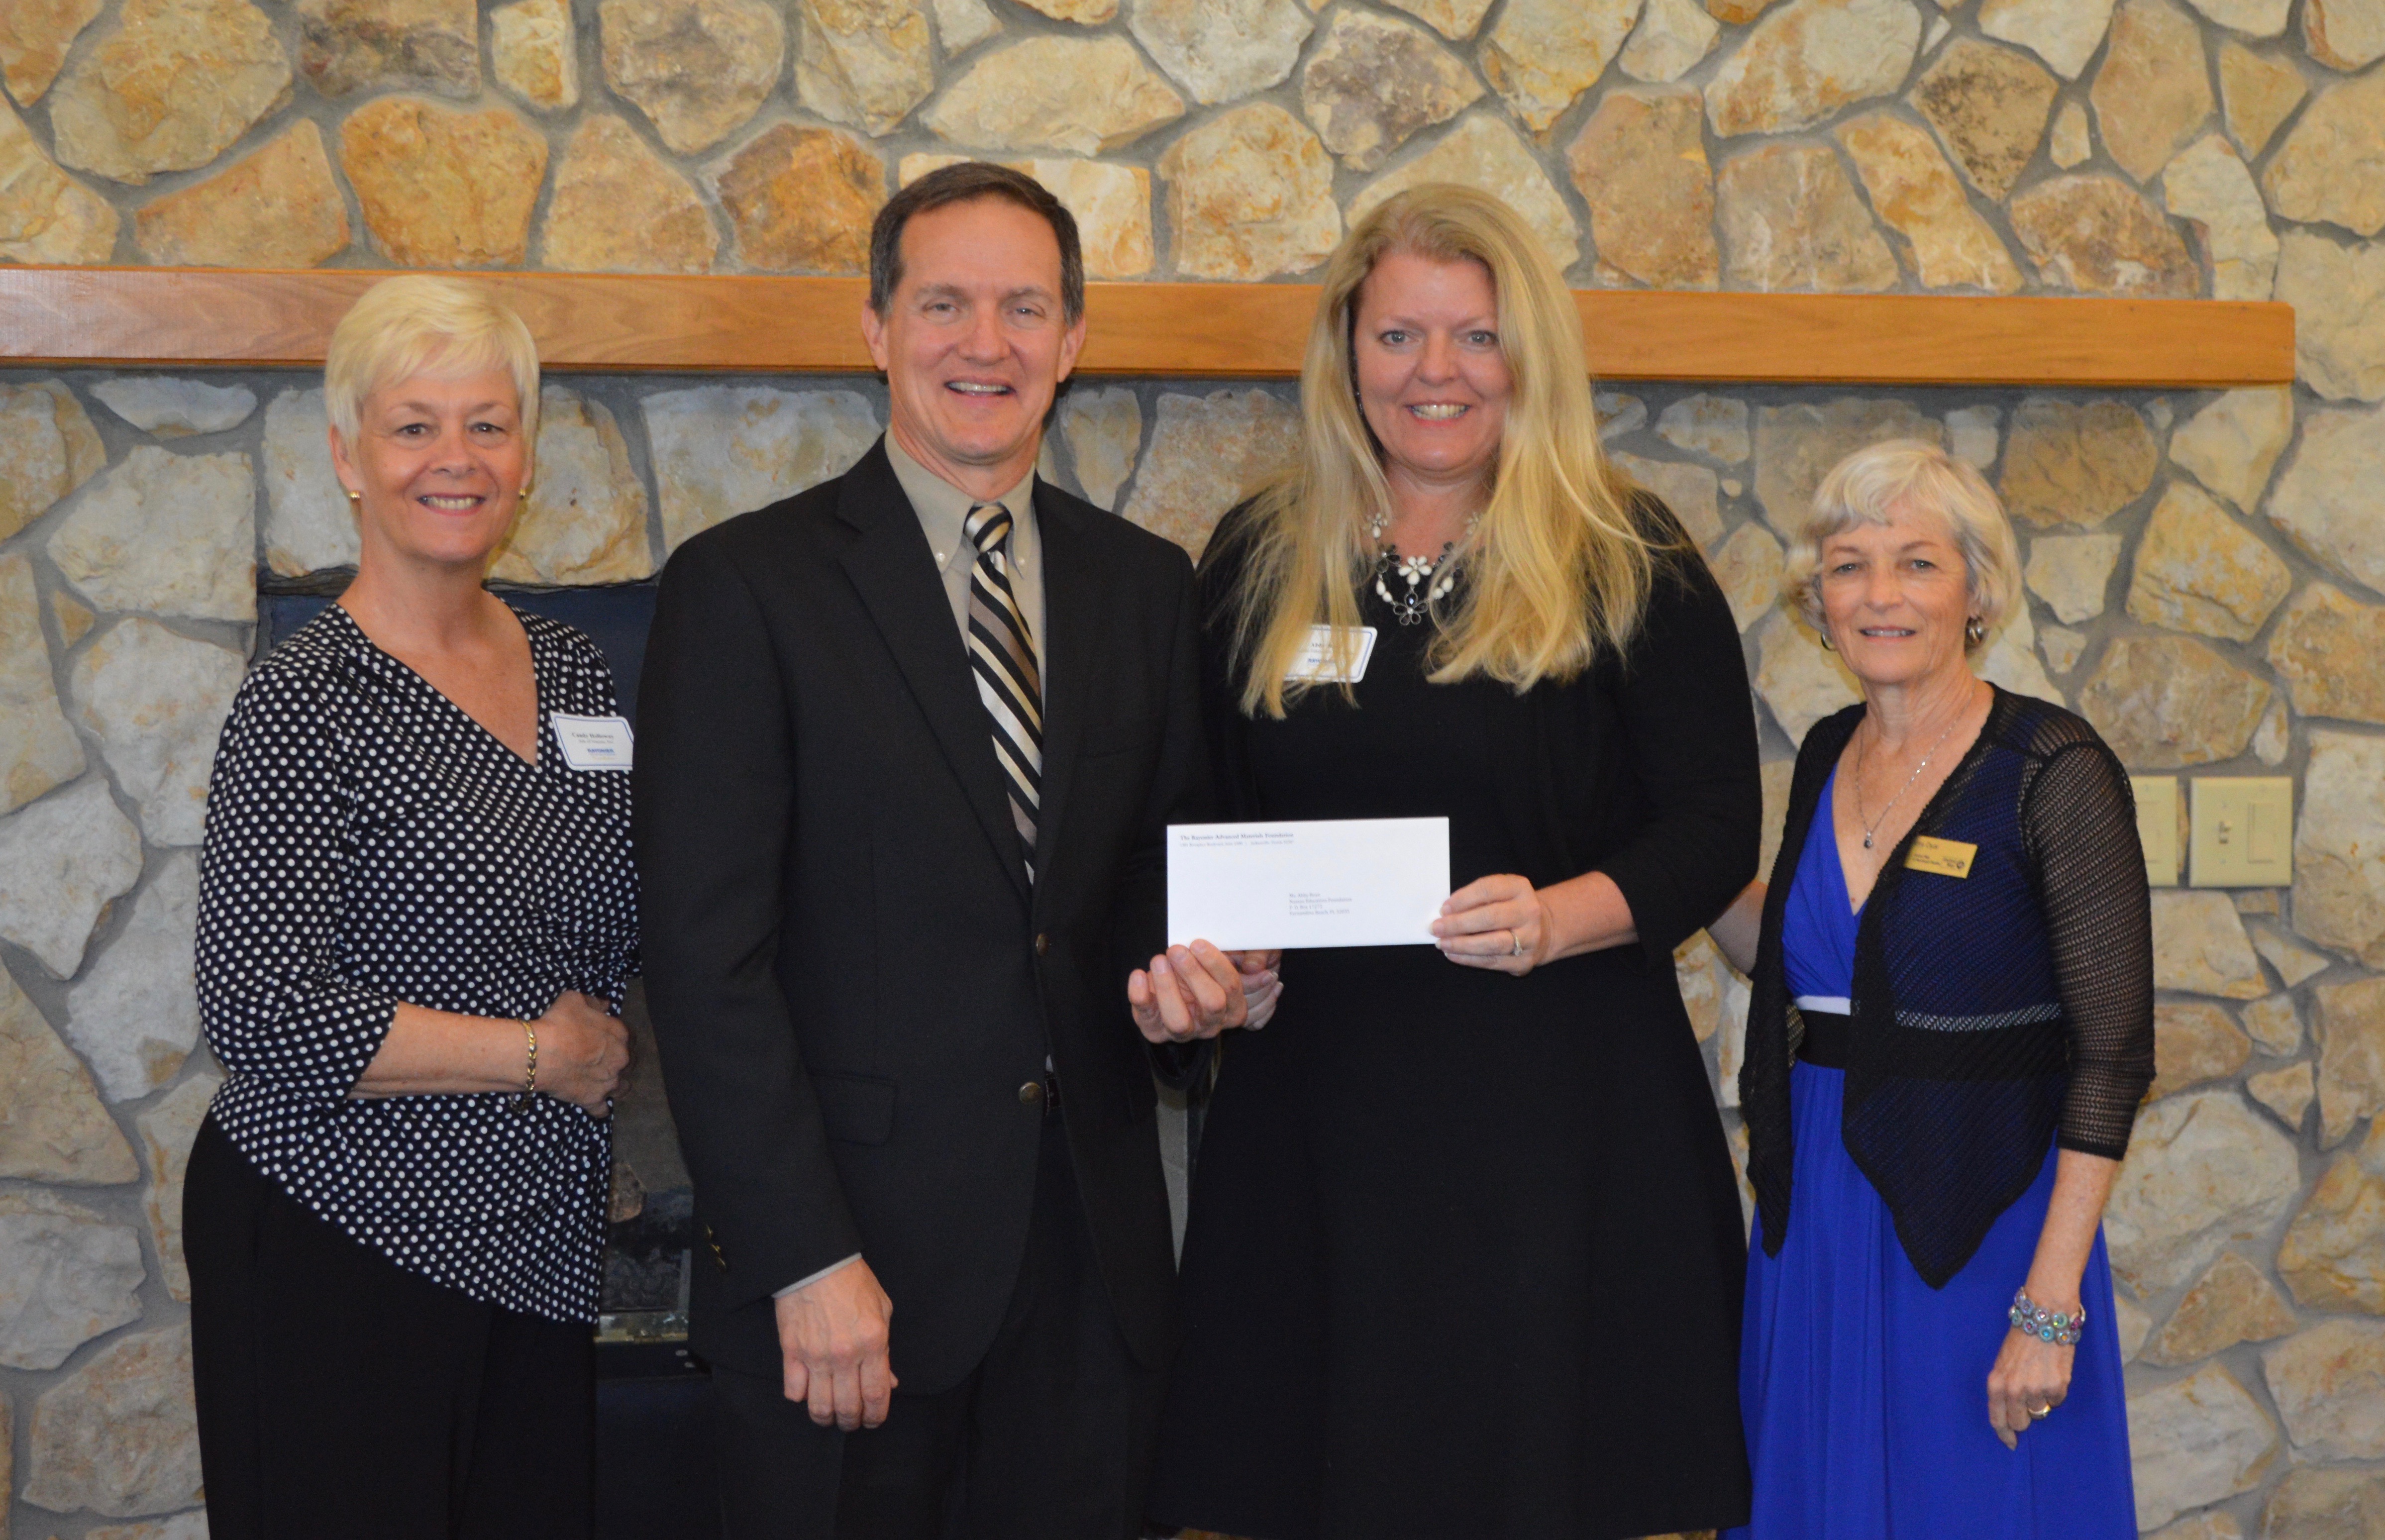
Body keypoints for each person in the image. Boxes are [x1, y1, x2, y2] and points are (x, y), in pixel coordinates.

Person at [634, 162, 1265, 1540]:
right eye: (946, 305)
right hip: (848, 1283)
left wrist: (1204, 997)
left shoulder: (1144, 588)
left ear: (1072, 343)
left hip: (1090, 1283)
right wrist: (804, 1255)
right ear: (875, 328)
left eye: (1024, 308)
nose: (986, 344)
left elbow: (1160, 895)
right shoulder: (745, 590)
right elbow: (702, 962)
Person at [1148, 184, 1761, 1540]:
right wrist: (1223, 965)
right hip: (1318, 1122)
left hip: (1559, 1121)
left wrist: (1556, 918)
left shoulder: (1624, 555)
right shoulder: (1256, 559)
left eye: (1475, 338)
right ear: (1345, 354)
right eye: (1399, 337)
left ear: (1527, 355)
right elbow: (1208, 819)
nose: (1436, 374)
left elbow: (1714, 828)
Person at [186, 275, 637, 1540]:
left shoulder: (574, 668)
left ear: (527, 458)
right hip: (339, 1236)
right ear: (348, 455)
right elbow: (263, 1013)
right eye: (415, 425)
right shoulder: (303, 700)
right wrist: (542, 1056)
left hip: (535, 1239)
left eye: (488, 425)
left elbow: (625, 917)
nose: (457, 458)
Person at [1705, 439, 2152, 1538]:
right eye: (1850, 566)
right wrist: (1668, 860)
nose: (1880, 595)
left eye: (1917, 562)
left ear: (1977, 591)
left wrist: (2050, 1306)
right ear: (1821, 602)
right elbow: (1806, 962)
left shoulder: (2053, 766)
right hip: (1815, 1207)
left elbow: (2114, 1052)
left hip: (1982, 1207)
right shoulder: (1824, 752)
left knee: (1978, 1497)